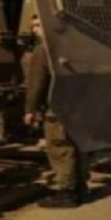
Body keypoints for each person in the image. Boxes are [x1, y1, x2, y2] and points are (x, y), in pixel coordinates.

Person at [24, 15, 90, 208]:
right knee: (77, 146)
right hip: (78, 106)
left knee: (59, 147)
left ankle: (66, 191)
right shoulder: (74, 45)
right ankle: (80, 187)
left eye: (38, 25)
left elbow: (37, 83)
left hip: (56, 107)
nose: (34, 30)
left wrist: (30, 109)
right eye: (33, 26)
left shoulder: (43, 49)